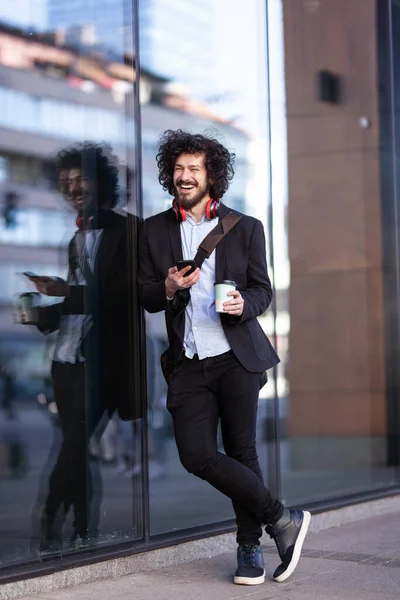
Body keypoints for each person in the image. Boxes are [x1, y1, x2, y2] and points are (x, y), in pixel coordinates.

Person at [138, 129, 311, 586]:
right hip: (188, 361)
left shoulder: (246, 227)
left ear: (212, 174)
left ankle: (249, 545)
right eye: (178, 169)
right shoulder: (154, 230)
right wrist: (169, 287)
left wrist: (242, 304)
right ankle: (282, 518)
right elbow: (143, 294)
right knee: (195, 454)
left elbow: (263, 291)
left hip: (236, 357)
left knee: (242, 451)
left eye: (194, 168)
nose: (184, 176)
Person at [28, 142, 136, 549]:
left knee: (74, 442)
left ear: (102, 181)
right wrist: (44, 315)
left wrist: (66, 291)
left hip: (103, 361)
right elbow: (80, 301)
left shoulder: (128, 230)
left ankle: (51, 517)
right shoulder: (76, 240)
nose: (72, 187)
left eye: (80, 179)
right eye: (65, 182)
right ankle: (84, 527)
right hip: (66, 360)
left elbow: (120, 297)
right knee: (75, 446)